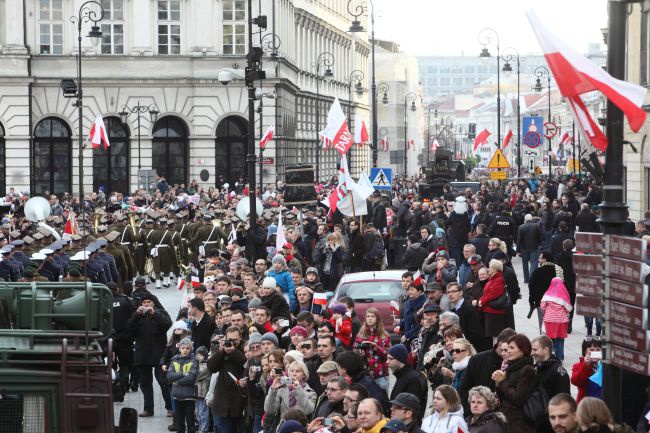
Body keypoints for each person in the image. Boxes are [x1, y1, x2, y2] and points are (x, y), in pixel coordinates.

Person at [127, 292, 173, 417]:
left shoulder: (161, 313)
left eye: (148, 302)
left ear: (153, 303)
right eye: (144, 303)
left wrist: (154, 314)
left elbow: (167, 324)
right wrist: (137, 314)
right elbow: (129, 328)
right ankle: (148, 409)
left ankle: (170, 408)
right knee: (145, 383)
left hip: (159, 354)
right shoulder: (137, 316)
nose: (146, 304)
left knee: (163, 381)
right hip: (142, 355)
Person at [491, 334, 537, 433]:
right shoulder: (512, 366)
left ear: (523, 350)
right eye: (508, 348)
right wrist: (498, 383)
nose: (508, 351)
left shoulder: (527, 369)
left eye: (512, 348)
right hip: (506, 419)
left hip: (519, 422)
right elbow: (502, 397)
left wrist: (502, 381)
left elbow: (518, 398)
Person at [207, 326, 247, 433]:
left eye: (235, 340)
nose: (232, 343)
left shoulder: (245, 347)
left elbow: (245, 363)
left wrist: (233, 352)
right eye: (229, 340)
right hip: (224, 401)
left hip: (241, 401)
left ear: (241, 338)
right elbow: (211, 368)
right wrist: (220, 351)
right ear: (225, 337)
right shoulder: (221, 349)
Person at [354, 307, 391, 391]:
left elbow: (388, 355)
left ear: (377, 319)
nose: (370, 318)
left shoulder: (384, 335)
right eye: (368, 316)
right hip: (365, 372)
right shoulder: (360, 334)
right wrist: (359, 352)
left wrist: (375, 347)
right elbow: (355, 350)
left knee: (382, 398)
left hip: (380, 372)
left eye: (372, 316)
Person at [166, 337, 199, 433]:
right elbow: (169, 376)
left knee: (190, 422)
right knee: (179, 423)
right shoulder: (175, 360)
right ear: (179, 348)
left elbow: (191, 378)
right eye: (183, 348)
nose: (185, 350)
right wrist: (182, 374)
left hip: (189, 396)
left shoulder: (194, 361)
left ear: (191, 349)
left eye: (187, 348)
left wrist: (177, 381)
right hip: (177, 396)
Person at [540, 278, 572, 361]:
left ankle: (553, 357)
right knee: (560, 339)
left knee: (551, 339)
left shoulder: (547, 295)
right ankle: (560, 357)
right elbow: (568, 309)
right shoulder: (564, 295)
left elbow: (542, 307)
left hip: (549, 320)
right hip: (561, 321)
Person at [472, 260, 506, 338]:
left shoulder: (498, 279)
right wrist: (481, 300)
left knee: (495, 336)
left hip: (494, 311)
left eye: (489, 267)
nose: (488, 269)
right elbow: (486, 293)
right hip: (490, 310)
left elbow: (492, 294)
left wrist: (482, 301)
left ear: (494, 269)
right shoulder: (493, 278)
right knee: (492, 336)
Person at [571, 337, 603, 402]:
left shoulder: (604, 366)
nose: (595, 352)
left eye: (598, 350)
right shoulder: (578, 365)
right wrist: (585, 365)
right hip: (585, 403)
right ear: (585, 352)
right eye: (591, 350)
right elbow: (575, 381)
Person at [516, 213, 544, 284]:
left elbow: (519, 239)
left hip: (524, 248)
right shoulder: (536, 226)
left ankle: (526, 279)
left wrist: (518, 250)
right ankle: (532, 278)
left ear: (525, 220)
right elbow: (540, 236)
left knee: (525, 264)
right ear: (531, 219)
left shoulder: (521, 227)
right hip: (534, 247)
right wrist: (540, 244)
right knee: (534, 262)